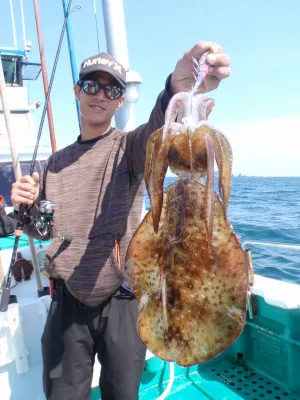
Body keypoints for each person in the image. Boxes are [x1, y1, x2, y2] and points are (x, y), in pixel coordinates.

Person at [10, 41, 231, 400]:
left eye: (112, 89)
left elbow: (159, 127)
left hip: (123, 300)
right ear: (77, 91)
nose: (100, 95)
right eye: (92, 86)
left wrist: (177, 88)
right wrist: (29, 207)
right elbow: (43, 230)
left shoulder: (129, 149)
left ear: (119, 100)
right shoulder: (54, 164)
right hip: (67, 305)